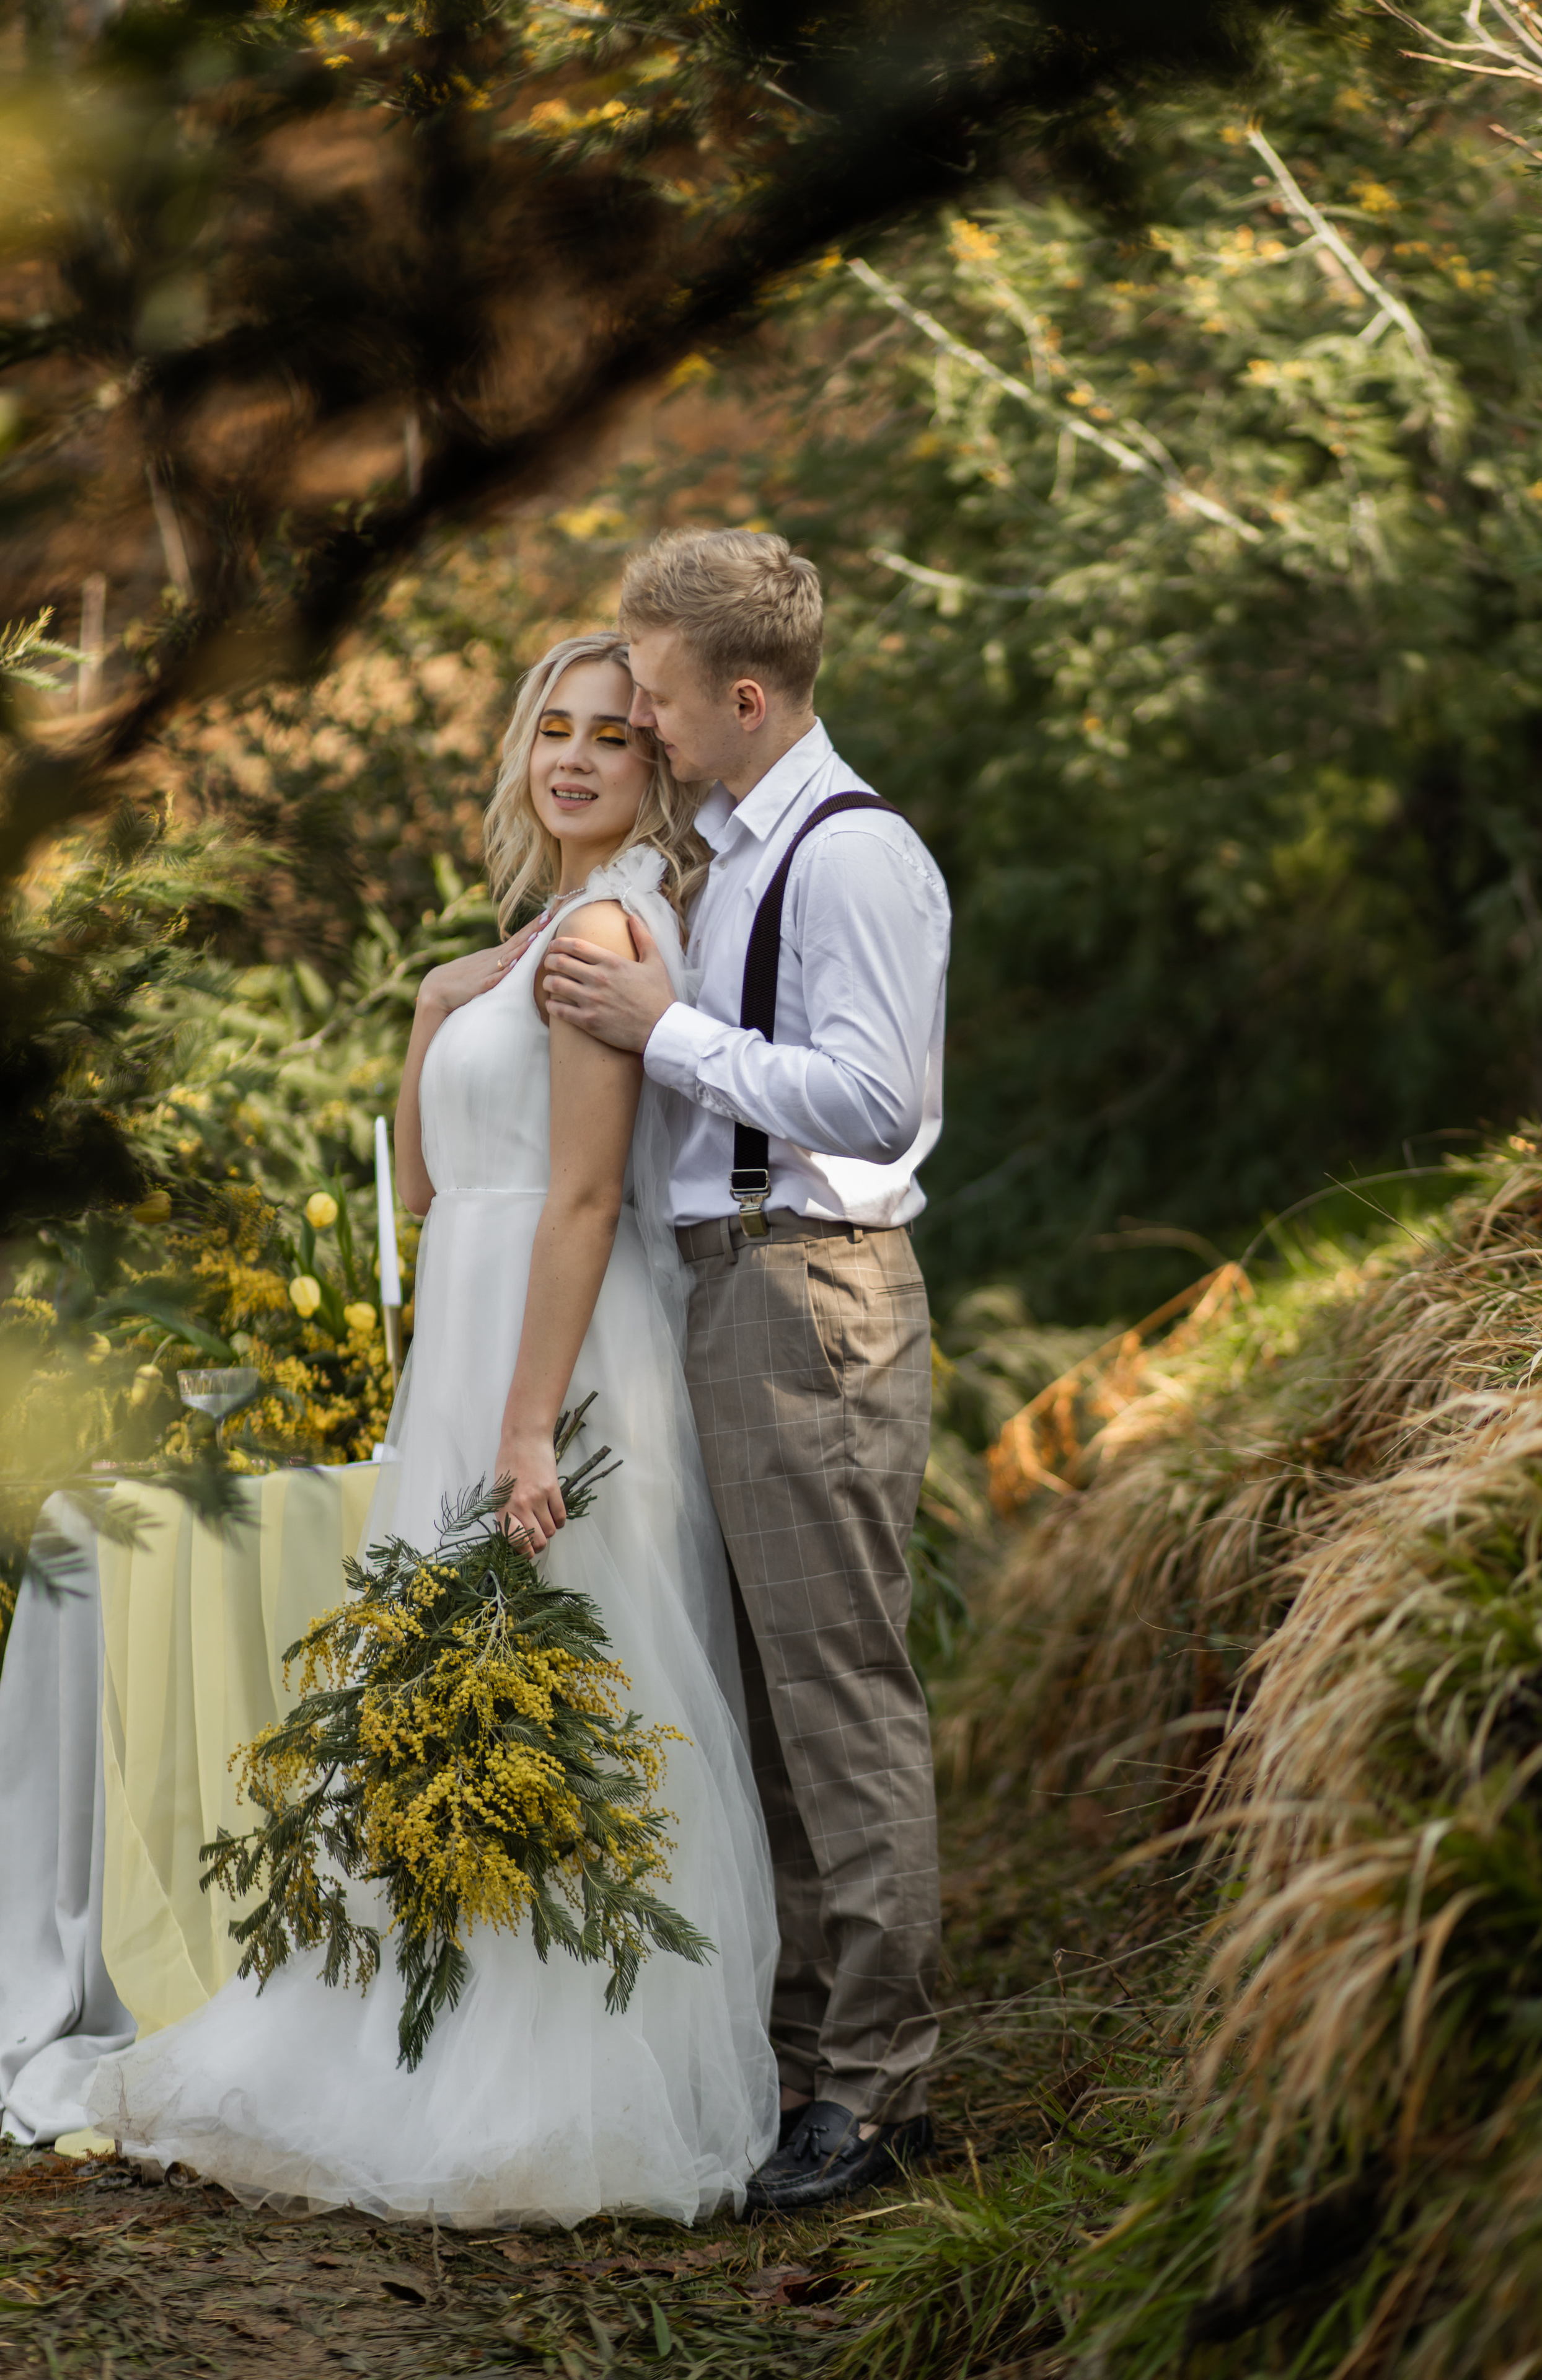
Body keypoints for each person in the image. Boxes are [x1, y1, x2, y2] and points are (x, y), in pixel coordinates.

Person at [88, 633, 780, 2228]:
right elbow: (419, 1190)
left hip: (557, 1353)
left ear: (655, 767)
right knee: (447, 1691)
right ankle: (428, 2022)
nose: (579, 758)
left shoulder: (609, 925)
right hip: (470, 1327)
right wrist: (426, 1006)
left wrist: (532, 1430)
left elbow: (590, 1198)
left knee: (567, 1680)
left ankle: (560, 2073)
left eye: (615, 737)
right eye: (555, 728)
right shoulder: (525, 933)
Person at [541, 530, 951, 2213]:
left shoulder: (855, 858)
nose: (632, 716)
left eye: (650, 692)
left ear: (746, 694)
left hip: (811, 1297)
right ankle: (804, 2069)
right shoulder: (728, 853)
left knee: (839, 1705)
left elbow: (882, 1102)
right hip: (734, 1295)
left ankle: (881, 2097)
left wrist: (668, 1038)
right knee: (773, 1708)